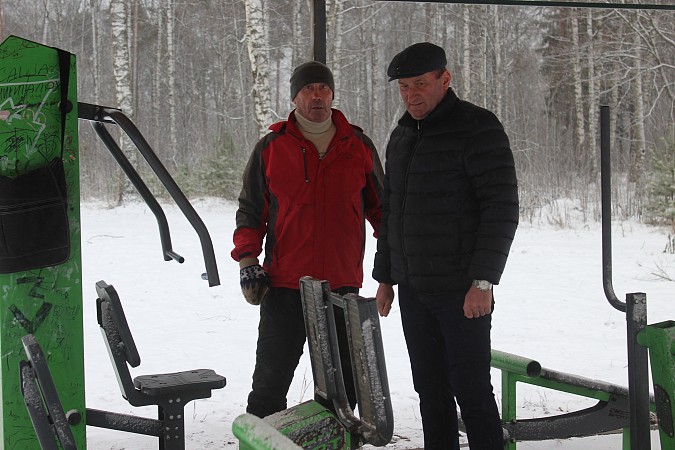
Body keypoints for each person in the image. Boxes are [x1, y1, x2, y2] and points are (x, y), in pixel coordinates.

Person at [373, 42, 519, 450]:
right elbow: (392, 212)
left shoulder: (478, 128)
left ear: (445, 79)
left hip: (461, 291)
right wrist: (386, 277)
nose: (412, 95)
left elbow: (501, 207)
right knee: (430, 392)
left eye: (421, 84)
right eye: (404, 87)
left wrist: (484, 281)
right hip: (414, 291)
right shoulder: (402, 136)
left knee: (471, 390)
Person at [232, 61, 384, 418]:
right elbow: (250, 210)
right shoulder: (272, 147)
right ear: (295, 97)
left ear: (332, 94)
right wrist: (247, 261)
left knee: (344, 390)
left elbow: (383, 211)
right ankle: (262, 440)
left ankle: (335, 440)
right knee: (270, 382)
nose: (317, 96)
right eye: (308, 89)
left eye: (324, 89)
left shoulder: (357, 145)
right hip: (284, 286)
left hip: (341, 287)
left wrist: (394, 266)